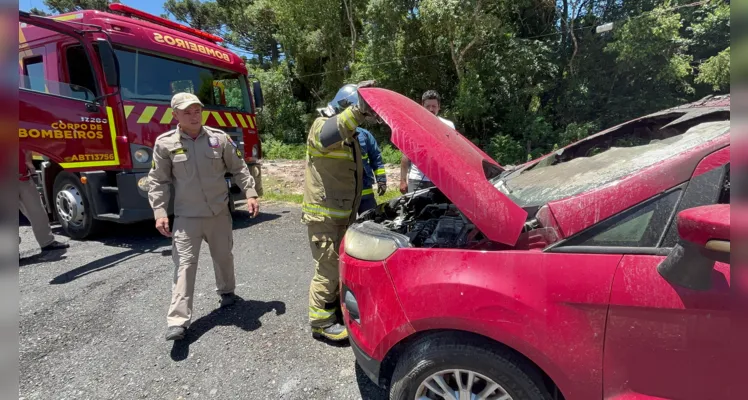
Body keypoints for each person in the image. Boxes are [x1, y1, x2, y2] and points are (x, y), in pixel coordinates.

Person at [148, 92, 260, 341]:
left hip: (219, 213)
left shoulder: (219, 139)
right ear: (175, 115)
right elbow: (158, 181)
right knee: (185, 266)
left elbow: (239, 167)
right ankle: (178, 321)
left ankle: (227, 292)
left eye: (197, 110)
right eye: (187, 112)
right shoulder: (165, 144)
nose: (193, 116)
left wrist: (250, 193)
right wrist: (159, 211)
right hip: (187, 218)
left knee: (223, 257)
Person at [302, 80, 379, 342]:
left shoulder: (351, 136)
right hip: (324, 215)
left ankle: (333, 309)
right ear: (346, 106)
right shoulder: (321, 126)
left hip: (343, 215)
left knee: (340, 267)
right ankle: (321, 322)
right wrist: (358, 111)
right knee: (328, 268)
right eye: (357, 110)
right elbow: (328, 136)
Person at [399, 90, 456, 194]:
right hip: (417, 179)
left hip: (441, 180)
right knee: (415, 210)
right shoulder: (412, 126)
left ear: (439, 107)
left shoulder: (448, 126)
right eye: (428, 106)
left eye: (434, 106)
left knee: (441, 210)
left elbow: (454, 155)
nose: (431, 109)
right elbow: (405, 156)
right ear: (422, 106)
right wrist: (403, 180)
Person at [18, 148, 69, 253]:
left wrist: (29, 163)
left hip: (24, 178)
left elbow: (25, 147)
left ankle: (47, 242)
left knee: (38, 212)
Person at [357, 127, 387, 215]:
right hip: (344, 193)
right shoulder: (336, 136)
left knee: (370, 219)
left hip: (365, 189)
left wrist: (381, 180)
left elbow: (376, 159)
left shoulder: (364, 134)